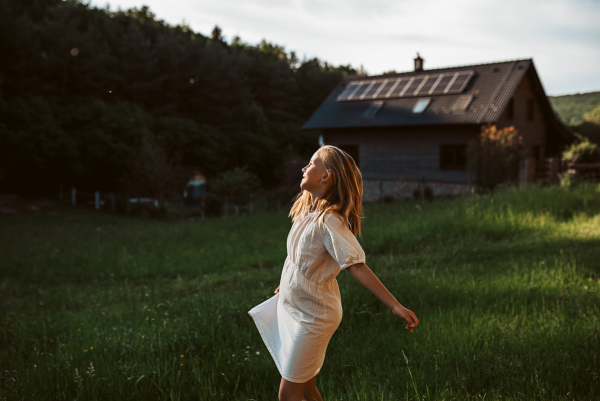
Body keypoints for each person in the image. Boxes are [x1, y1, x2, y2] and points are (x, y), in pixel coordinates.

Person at [248, 145, 419, 401]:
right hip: (296, 307)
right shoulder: (307, 214)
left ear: (326, 175)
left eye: (311, 162)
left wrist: (395, 306)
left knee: (288, 394)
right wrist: (286, 284)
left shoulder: (330, 221)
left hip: (314, 316)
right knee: (306, 388)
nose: (304, 167)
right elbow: (298, 257)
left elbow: (355, 265)